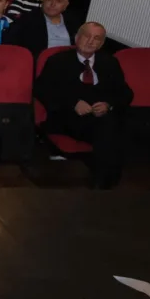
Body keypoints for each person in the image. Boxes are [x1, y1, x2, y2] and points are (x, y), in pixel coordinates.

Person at [35, 23, 133, 188]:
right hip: (67, 117)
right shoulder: (57, 61)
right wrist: (72, 103)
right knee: (109, 129)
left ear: (101, 44)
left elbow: (125, 93)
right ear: (77, 38)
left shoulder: (109, 62)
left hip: (100, 117)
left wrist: (108, 105)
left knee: (113, 126)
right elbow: (41, 90)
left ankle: (104, 183)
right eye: (87, 36)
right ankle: (104, 184)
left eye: (97, 39)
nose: (91, 41)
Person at [3, 0, 83, 56]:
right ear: (43, 0)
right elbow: (8, 45)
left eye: (59, 1)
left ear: (66, 5)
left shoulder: (73, 22)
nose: (53, 4)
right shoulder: (27, 19)